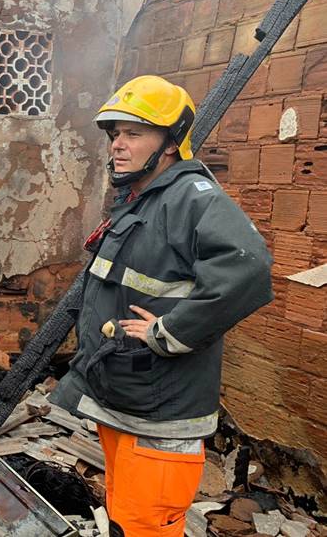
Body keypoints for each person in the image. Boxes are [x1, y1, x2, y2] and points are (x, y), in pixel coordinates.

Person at [48, 75, 273, 537]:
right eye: (115, 135)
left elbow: (247, 268)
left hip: (161, 410)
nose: (118, 146)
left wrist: (169, 332)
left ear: (170, 142)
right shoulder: (139, 201)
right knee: (125, 518)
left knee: (146, 526)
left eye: (134, 133)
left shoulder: (191, 198)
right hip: (123, 397)